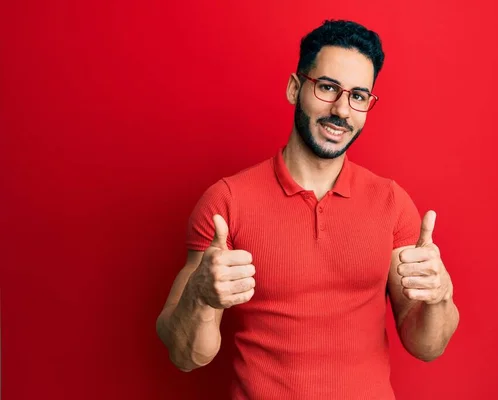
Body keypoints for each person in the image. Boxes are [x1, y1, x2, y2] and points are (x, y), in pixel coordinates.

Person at [156, 19, 459, 399]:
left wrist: (440, 295)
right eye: (328, 87)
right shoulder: (226, 202)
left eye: (358, 96)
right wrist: (199, 294)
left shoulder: (391, 202)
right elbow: (186, 356)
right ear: (295, 88)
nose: (341, 110)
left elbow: (425, 346)